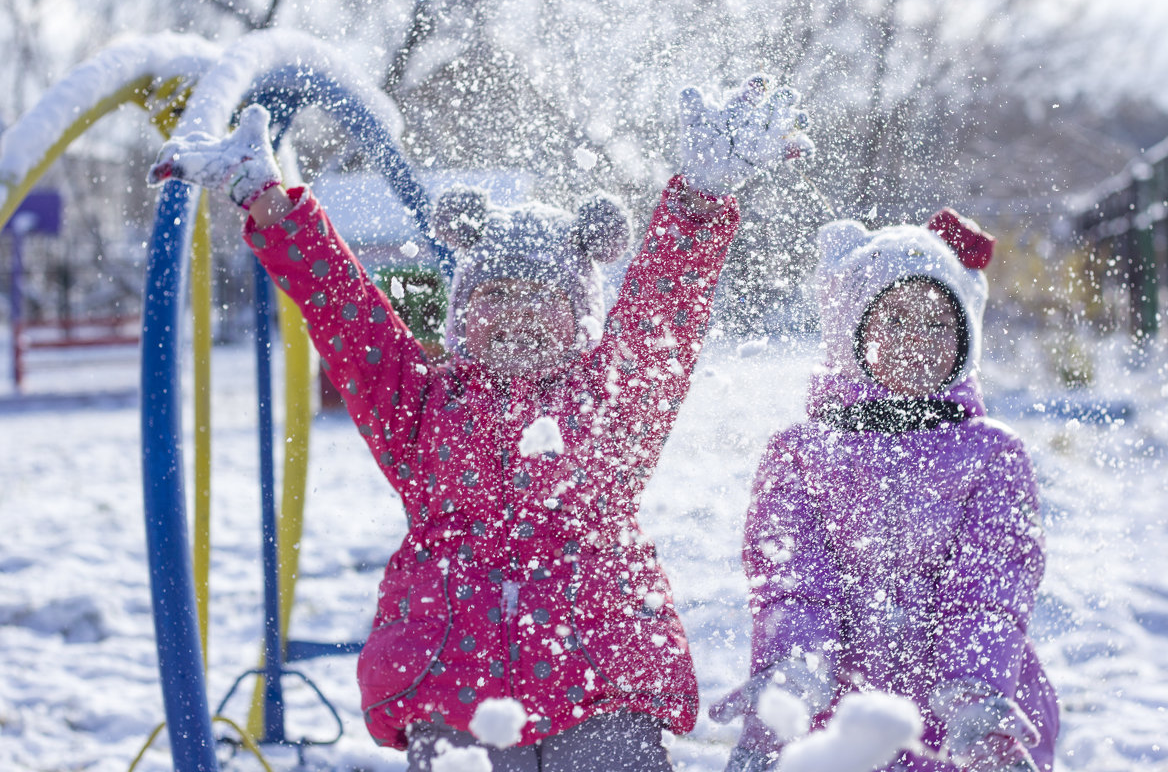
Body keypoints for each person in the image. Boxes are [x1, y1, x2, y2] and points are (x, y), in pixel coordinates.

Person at [149, 77, 813, 771]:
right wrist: (270, 205)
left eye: (542, 297)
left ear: (578, 313)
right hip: (451, 690)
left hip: (600, 687)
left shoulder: (611, 405)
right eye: (495, 294)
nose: (517, 314)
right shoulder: (420, 407)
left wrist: (701, 199)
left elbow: (659, 318)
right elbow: (349, 317)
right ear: (463, 311)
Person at [710, 211, 1059, 771]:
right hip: (836, 707)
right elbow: (791, 579)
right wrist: (795, 674)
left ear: (965, 336)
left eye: (939, 324)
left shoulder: (991, 453)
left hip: (963, 714)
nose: (917, 339)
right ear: (851, 328)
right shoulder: (800, 452)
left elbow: (992, 584)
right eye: (895, 320)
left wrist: (973, 690)